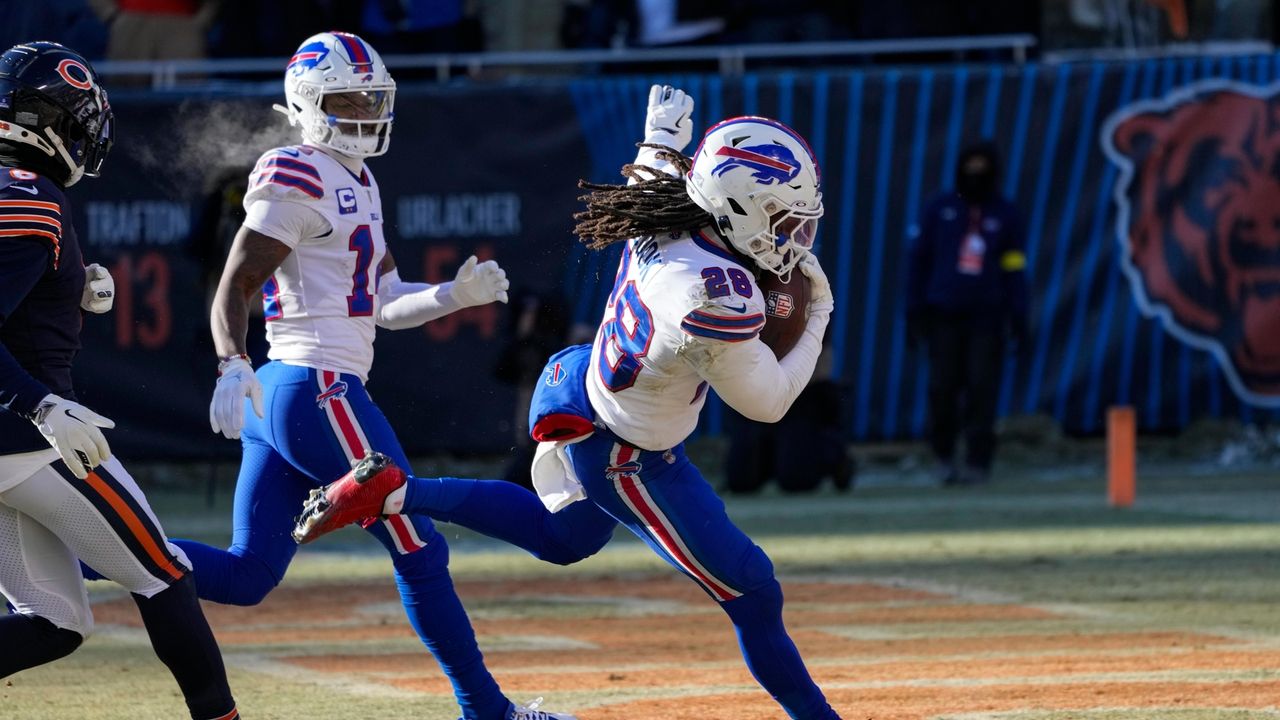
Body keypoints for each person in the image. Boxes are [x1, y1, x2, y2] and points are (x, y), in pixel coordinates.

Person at [295, 85, 844, 720]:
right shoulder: (711, 294)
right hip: (629, 451)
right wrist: (818, 317)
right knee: (753, 591)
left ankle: (395, 490)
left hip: (584, 390)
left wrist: (661, 138)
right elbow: (768, 403)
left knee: (563, 538)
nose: (798, 239)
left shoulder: (665, 208)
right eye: (784, 219)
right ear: (739, 208)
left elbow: (653, 169)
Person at [180, 31, 571, 720]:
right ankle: (490, 712)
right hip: (315, 386)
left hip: (291, 393)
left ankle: (81, 549)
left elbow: (386, 303)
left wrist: (454, 295)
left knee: (246, 576)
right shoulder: (296, 171)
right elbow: (234, 286)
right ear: (307, 103)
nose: (364, 110)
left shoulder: (358, 176)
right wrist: (230, 360)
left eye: (372, 96)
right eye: (347, 98)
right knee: (418, 546)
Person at [0, 41, 241, 720]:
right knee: (164, 575)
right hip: (26, 439)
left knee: (54, 618)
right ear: (41, 119)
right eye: (76, 115)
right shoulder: (28, 197)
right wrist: (40, 403)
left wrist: (66, 289)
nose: (86, 129)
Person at [906, 141, 1029, 487]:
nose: (976, 175)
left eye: (982, 168)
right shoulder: (941, 208)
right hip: (944, 314)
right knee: (942, 388)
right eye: (970, 167)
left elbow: (1014, 267)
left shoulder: (1004, 214)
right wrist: (914, 310)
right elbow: (919, 262)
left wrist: (1019, 313)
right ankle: (943, 456)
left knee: (981, 388)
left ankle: (978, 460)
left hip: (986, 317)